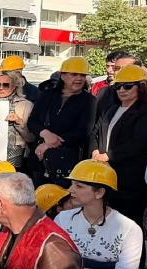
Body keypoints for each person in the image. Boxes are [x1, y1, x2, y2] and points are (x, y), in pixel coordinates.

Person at [89, 64, 147, 254]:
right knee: (110, 224)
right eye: (118, 86)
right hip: (107, 177)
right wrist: (95, 152)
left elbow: (142, 142)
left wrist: (109, 155)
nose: (122, 90)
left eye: (127, 86)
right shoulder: (111, 109)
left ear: (140, 87)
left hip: (132, 180)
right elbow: (95, 132)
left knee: (131, 226)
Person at [55, 160, 147, 269]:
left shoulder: (129, 228)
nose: (70, 190)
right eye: (72, 184)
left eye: (79, 186)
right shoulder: (63, 219)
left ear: (99, 193)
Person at [27, 57, 96, 187]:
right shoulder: (47, 94)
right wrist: (45, 133)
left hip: (67, 162)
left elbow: (83, 131)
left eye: (82, 75)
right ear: (62, 75)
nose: (79, 78)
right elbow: (32, 121)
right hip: (39, 160)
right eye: (74, 74)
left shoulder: (89, 100)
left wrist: (51, 144)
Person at [0, 70, 34, 169]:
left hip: (14, 156)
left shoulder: (26, 105)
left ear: (14, 87)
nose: (1, 88)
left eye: (5, 85)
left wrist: (19, 123)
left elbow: (31, 138)